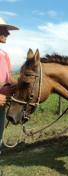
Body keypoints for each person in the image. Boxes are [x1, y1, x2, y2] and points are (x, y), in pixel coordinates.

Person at [0, 17, 19, 154]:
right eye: (4, 30)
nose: (8, 33)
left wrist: (21, 85)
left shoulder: (4, 55)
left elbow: (8, 77)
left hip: (2, 104)